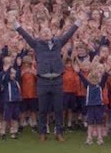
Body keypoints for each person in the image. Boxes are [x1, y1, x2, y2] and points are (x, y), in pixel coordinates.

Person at [14, 12, 82, 142]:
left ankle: (59, 133)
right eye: (43, 32)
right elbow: (25, 35)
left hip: (57, 80)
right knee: (43, 109)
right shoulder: (36, 44)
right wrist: (16, 25)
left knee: (58, 108)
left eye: (47, 31)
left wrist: (78, 22)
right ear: (40, 35)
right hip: (43, 81)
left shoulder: (58, 43)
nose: (46, 33)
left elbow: (69, 34)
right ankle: (42, 133)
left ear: (52, 33)